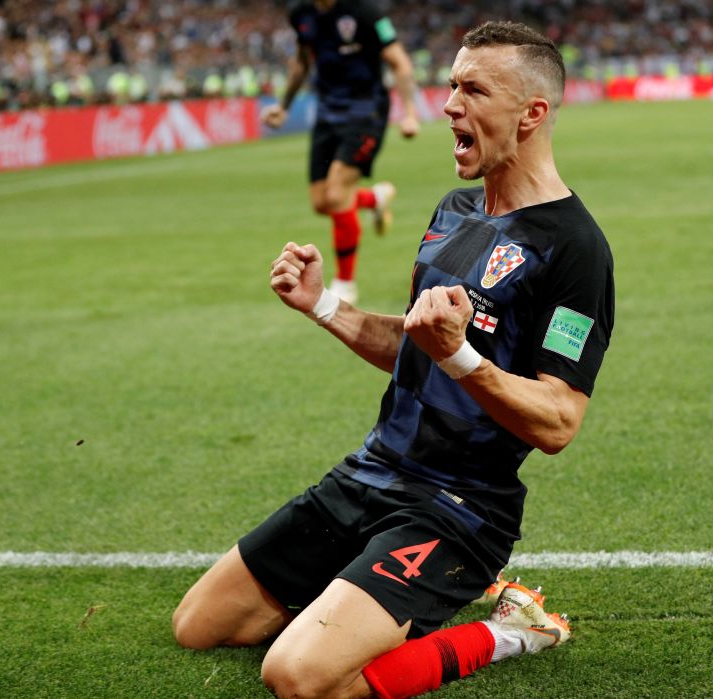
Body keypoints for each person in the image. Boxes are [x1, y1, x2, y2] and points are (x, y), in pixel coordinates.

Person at [174, 20, 615, 699]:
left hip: (458, 510)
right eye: (450, 86)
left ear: (533, 114)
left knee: (297, 676)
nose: (448, 106)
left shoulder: (575, 249)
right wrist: (324, 307)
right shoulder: (455, 212)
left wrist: (463, 355)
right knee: (198, 624)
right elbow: (416, 347)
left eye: (473, 90)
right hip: (370, 475)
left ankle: (511, 629)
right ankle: (363, 598)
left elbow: (557, 421)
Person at [260, 0, 421, 304]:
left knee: (336, 195)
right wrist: (283, 106)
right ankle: (373, 199)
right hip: (327, 114)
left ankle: (346, 282)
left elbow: (399, 62)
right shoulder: (301, 14)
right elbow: (303, 61)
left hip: (366, 112)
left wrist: (409, 113)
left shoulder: (365, 12)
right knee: (322, 203)